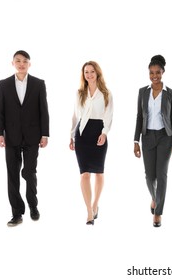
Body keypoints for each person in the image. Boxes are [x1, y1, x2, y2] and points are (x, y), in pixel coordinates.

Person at [0, 50, 50, 227]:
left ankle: (33, 206)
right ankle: (16, 213)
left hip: (33, 136)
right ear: (12, 63)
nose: (21, 64)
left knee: (29, 171)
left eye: (24, 61)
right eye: (18, 61)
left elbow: (44, 111)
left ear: (29, 64)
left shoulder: (38, 84)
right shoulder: (3, 84)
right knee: (12, 176)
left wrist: (45, 134)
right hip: (10, 136)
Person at [133, 55, 172, 228]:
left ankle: (158, 213)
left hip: (165, 138)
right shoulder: (142, 92)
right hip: (147, 137)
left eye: (158, 72)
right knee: (149, 176)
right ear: (148, 73)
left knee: (162, 175)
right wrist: (135, 140)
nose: (155, 76)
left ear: (163, 72)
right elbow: (139, 116)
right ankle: (155, 198)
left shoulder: (170, 93)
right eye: (152, 73)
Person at [69, 61, 113, 225]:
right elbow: (75, 116)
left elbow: (109, 115)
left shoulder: (106, 93)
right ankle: (88, 211)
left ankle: (95, 205)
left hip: (98, 132)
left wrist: (104, 133)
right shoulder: (79, 93)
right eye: (86, 72)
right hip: (82, 134)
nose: (89, 75)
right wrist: (71, 136)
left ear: (97, 73)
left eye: (92, 71)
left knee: (99, 173)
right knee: (84, 173)